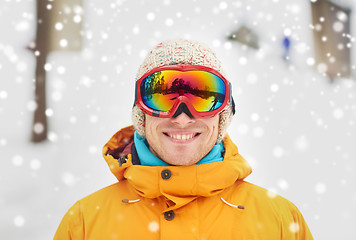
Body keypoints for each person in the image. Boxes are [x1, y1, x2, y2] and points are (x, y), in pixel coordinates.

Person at [54, 39, 313, 239]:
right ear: (141, 114)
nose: (181, 117)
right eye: (162, 95)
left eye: (202, 96)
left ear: (223, 115)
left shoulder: (279, 223)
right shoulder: (85, 224)